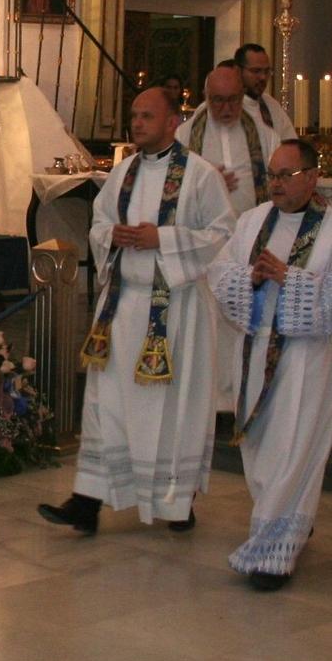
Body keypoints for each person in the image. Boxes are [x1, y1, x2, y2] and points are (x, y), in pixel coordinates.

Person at [39, 87, 232, 533]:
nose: (137, 123)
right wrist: (115, 237)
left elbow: (223, 233)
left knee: (171, 407)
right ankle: (87, 501)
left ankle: (176, 501)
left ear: (172, 122)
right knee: (106, 402)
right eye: (134, 116)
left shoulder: (200, 176)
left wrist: (161, 239)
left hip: (176, 311)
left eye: (148, 116)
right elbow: (100, 224)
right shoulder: (121, 173)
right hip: (123, 309)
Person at [208, 138, 332, 589]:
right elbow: (220, 272)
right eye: (272, 175)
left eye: (285, 175)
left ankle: (271, 556)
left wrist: (290, 279)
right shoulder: (253, 221)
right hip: (256, 353)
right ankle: (287, 519)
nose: (275, 184)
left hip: (306, 361)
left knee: (293, 450)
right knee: (262, 451)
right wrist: (249, 276)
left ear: (313, 177)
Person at [181, 56, 286, 214]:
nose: (227, 108)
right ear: (206, 96)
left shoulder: (265, 135)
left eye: (233, 99)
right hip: (203, 232)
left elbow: (280, 181)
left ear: (242, 94)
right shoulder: (183, 135)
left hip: (253, 229)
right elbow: (171, 189)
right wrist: (206, 185)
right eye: (218, 100)